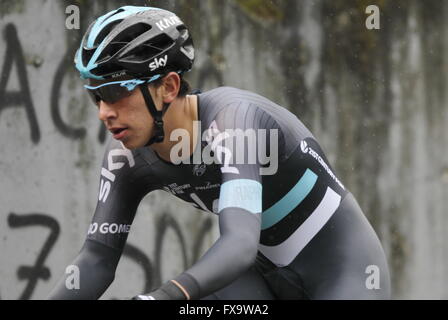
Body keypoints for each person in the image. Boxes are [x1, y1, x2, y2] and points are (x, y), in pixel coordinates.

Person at [47, 5, 391, 300]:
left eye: (116, 93)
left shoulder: (234, 121)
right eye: (97, 97)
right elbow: (96, 259)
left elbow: (239, 243)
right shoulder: (126, 158)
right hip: (258, 276)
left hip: (343, 269)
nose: (104, 112)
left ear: (168, 87)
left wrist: (161, 296)